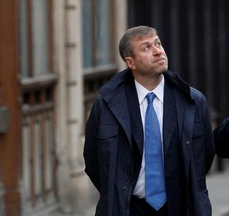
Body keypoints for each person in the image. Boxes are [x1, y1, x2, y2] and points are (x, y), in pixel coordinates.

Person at [83, 26, 215, 216]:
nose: (158, 51)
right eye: (146, 48)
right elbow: (93, 162)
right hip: (128, 209)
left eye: (158, 44)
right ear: (131, 62)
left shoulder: (193, 101)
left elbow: (204, 156)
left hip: (180, 207)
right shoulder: (107, 106)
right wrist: (117, 194)